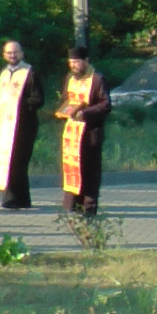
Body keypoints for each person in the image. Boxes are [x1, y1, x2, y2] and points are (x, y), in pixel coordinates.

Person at [0, 39, 44, 210]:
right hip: (4, 127)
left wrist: (18, 104)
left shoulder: (30, 73)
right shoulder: (3, 74)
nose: (12, 55)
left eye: (15, 52)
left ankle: (12, 199)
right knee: (8, 160)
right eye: (9, 53)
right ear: (4, 55)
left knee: (18, 161)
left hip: (24, 125)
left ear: (22, 53)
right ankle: (22, 199)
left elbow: (38, 99)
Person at [56, 46, 110, 216]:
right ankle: (73, 203)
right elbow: (67, 99)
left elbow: (105, 104)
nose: (74, 65)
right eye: (71, 62)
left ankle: (89, 205)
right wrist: (64, 111)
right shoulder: (70, 78)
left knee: (90, 170)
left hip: (90, 133)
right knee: (73, 167)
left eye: (77, 62)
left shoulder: (97, 79)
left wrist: (84, 113)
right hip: (72, 133)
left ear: (86, 61)